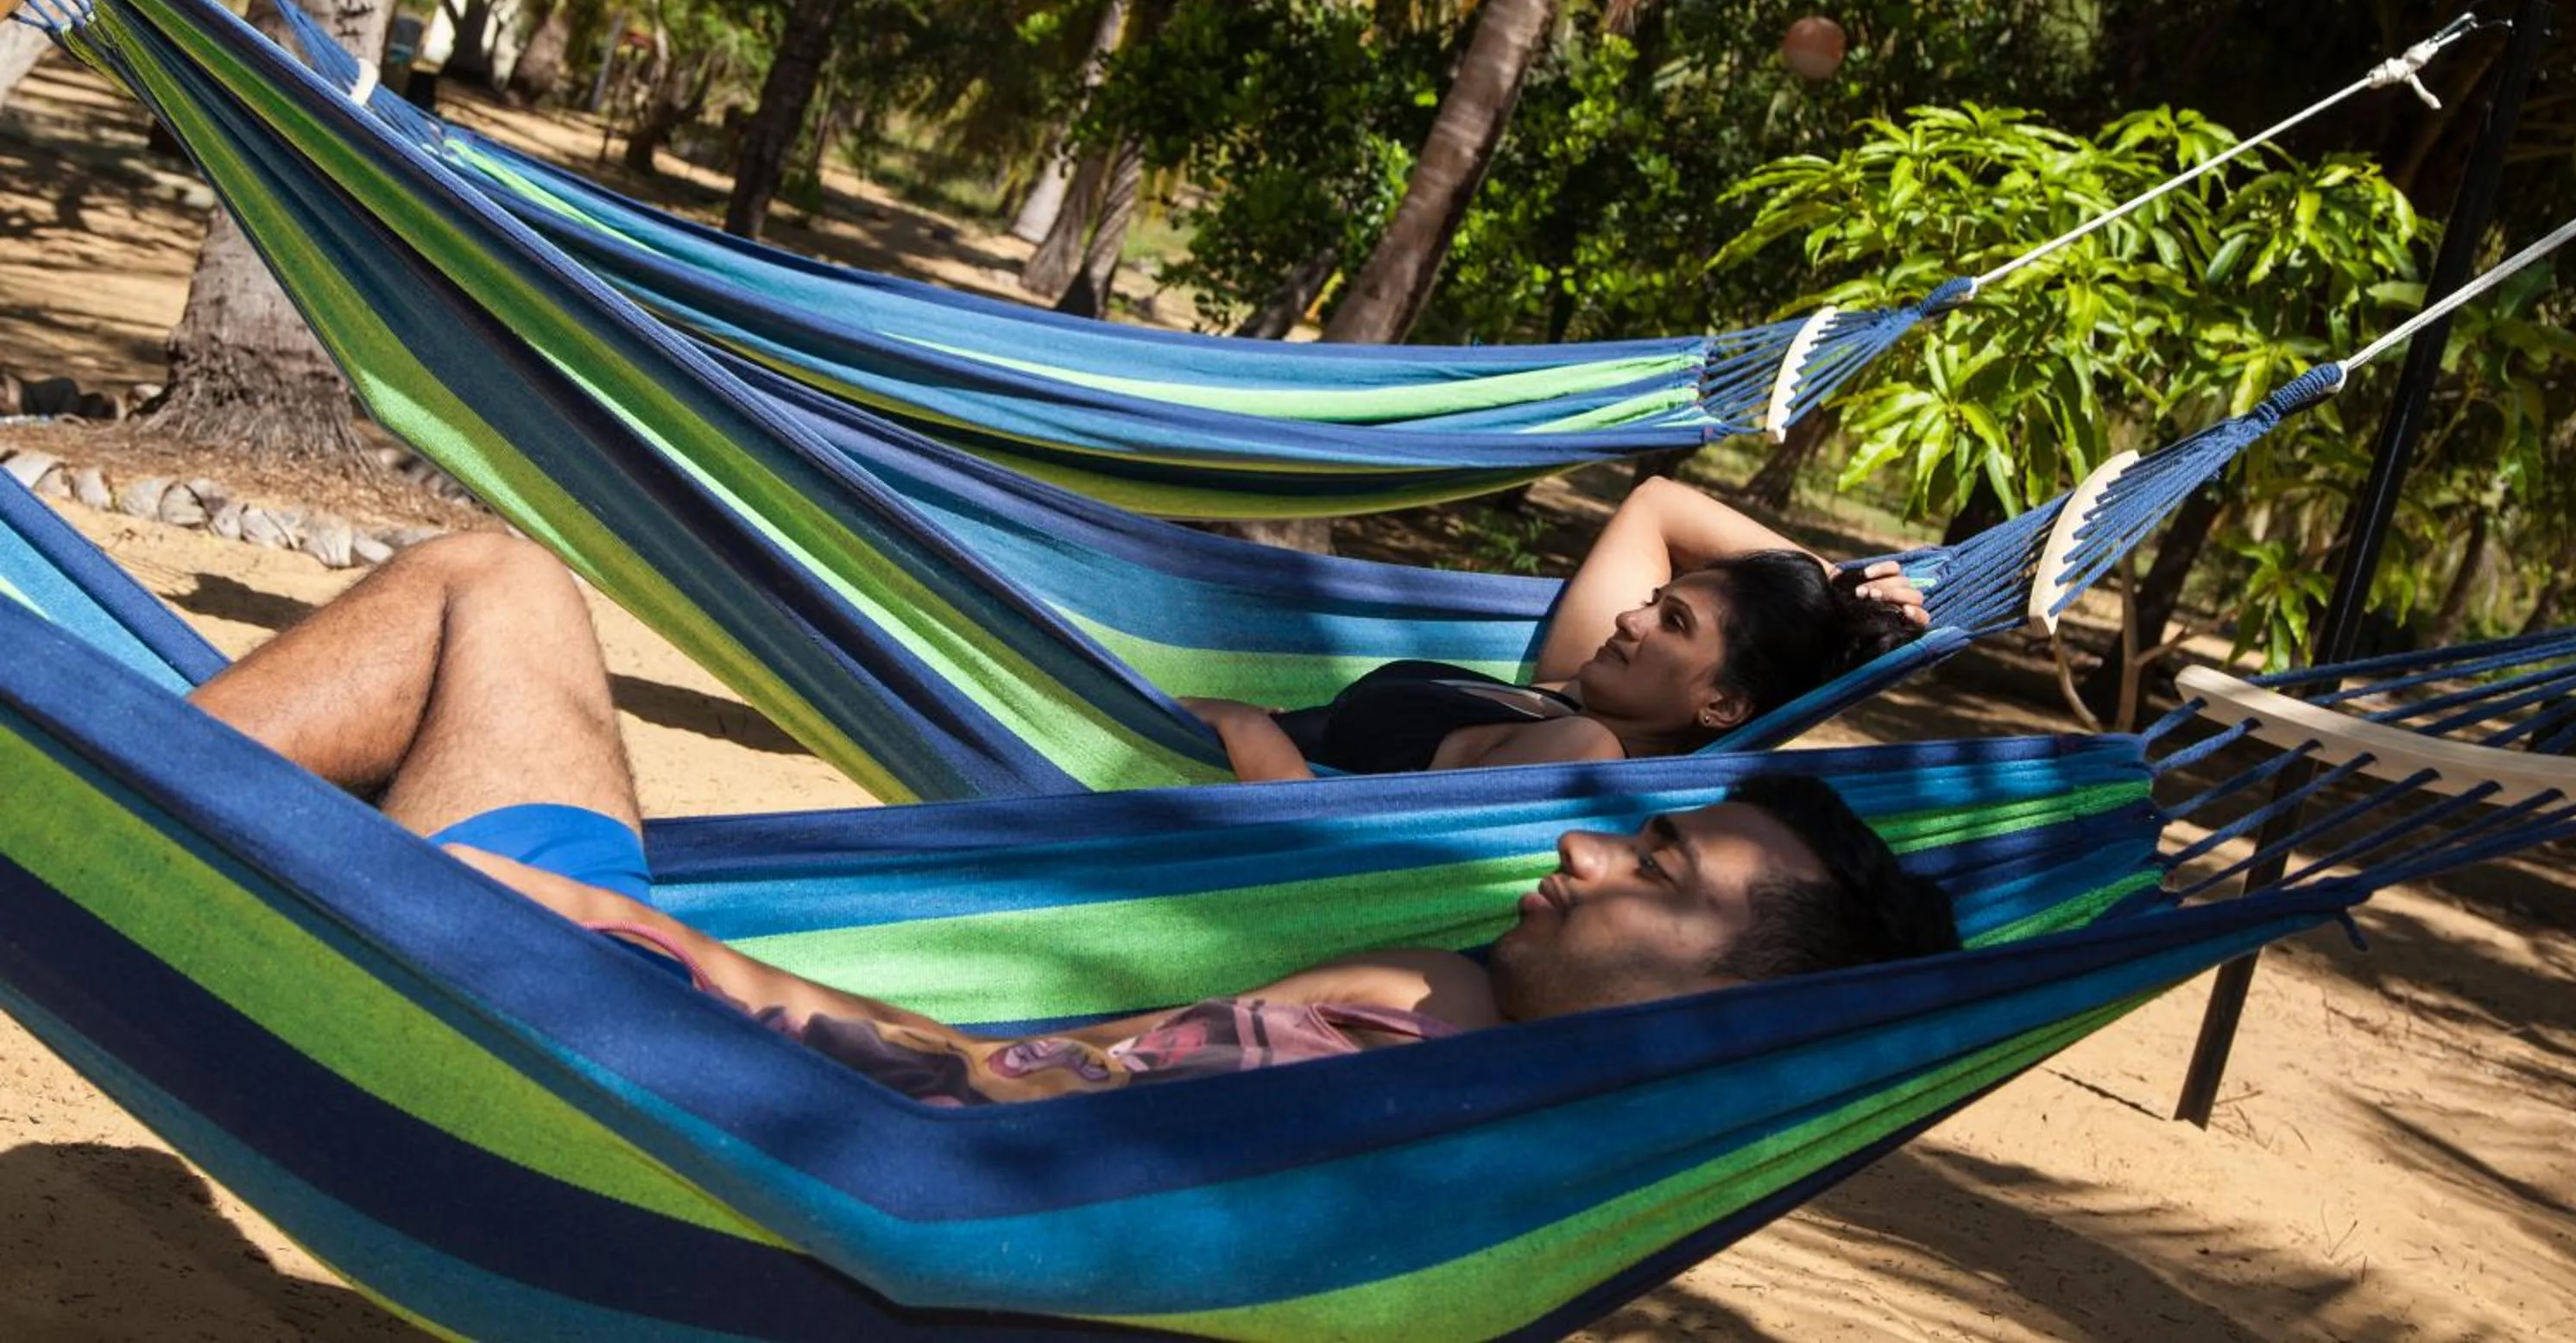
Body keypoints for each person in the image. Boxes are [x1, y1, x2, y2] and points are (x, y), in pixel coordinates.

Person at [187, 533, 1960, 1106]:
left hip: (678, 1081)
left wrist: (694, 971)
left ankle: (99, 805)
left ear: (1741, 994)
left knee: (485, 589)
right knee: (500, 583)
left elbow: (981, 1104)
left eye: (1652, 862)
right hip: (710, 1025)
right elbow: (1031, 1067)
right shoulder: (1444, 991)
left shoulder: (1427, 1103)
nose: (1575, 844)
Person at [1182, 476, 1929, 780]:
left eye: (1672, 620)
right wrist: (1836, 589)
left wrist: (1248, 728)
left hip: (1196, 800)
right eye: (1655, 598)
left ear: (1725, 707)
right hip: (1182, 764)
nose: (1630, 617)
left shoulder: (1586, 746)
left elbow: (1358, 856)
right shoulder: (1573, 696)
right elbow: (1658, 504)